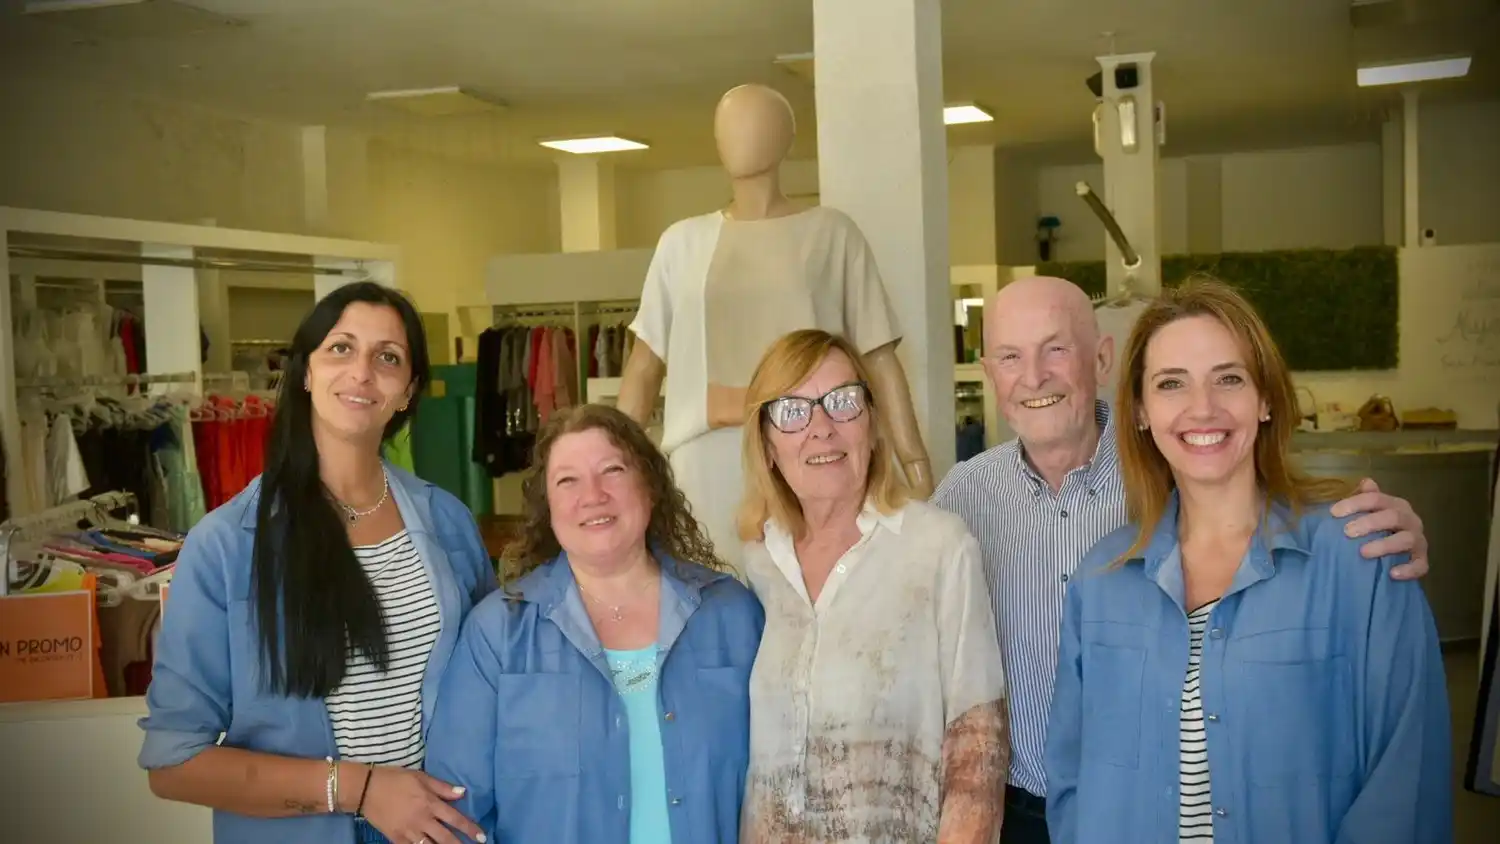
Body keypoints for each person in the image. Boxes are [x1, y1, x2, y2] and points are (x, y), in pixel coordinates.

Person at [930, 275, 1433, 844]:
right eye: (1009, 356)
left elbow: (1402, 774)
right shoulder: (968, 502)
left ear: (1101, 360)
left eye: (1056, 348)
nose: (1201, 409)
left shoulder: (1353, 550)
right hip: (1024, 807)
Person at [138, 282, 495, 844]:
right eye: (340, 348)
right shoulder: (227, 545)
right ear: (305, 373)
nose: (362, 372)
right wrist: (362, 789)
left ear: (407, 392)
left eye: (388, 357)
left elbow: (490, 689)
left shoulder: (448, 523)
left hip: (441, 829)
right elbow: (174, 761)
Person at [424, 404, 764, 844]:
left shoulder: (733, 616)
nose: (593, 495)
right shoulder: (497, 635)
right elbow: (456, 818)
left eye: (613, 470)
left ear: (651, 487)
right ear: (548, 507)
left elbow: (781, 781)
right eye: (568, 480)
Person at [737, 329, 1007, 844]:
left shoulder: (938, 548)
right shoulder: (756, 565)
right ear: (767, 443)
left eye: (842, 403)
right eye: (793, 410)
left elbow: (978, 756)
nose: (822, 429)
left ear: (873, 423)